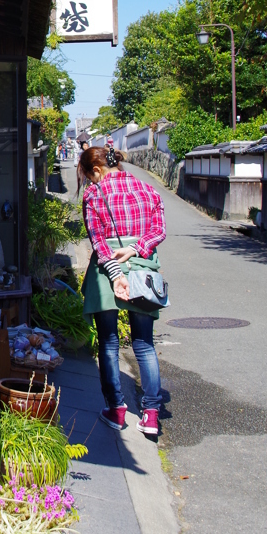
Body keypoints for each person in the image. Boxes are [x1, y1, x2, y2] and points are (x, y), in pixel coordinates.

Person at [78, 145, 166, 436]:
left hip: (107, 271)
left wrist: (116, 275)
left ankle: (116, 409)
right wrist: (136, 248)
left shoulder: (95, 194)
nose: (91, 182)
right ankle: (151, 415)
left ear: (98, 170)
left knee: (109, 343)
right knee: (144, 344)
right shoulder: (147, 188)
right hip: (142, 269)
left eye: (90, 176)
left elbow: (98, 241)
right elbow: (159, 230)